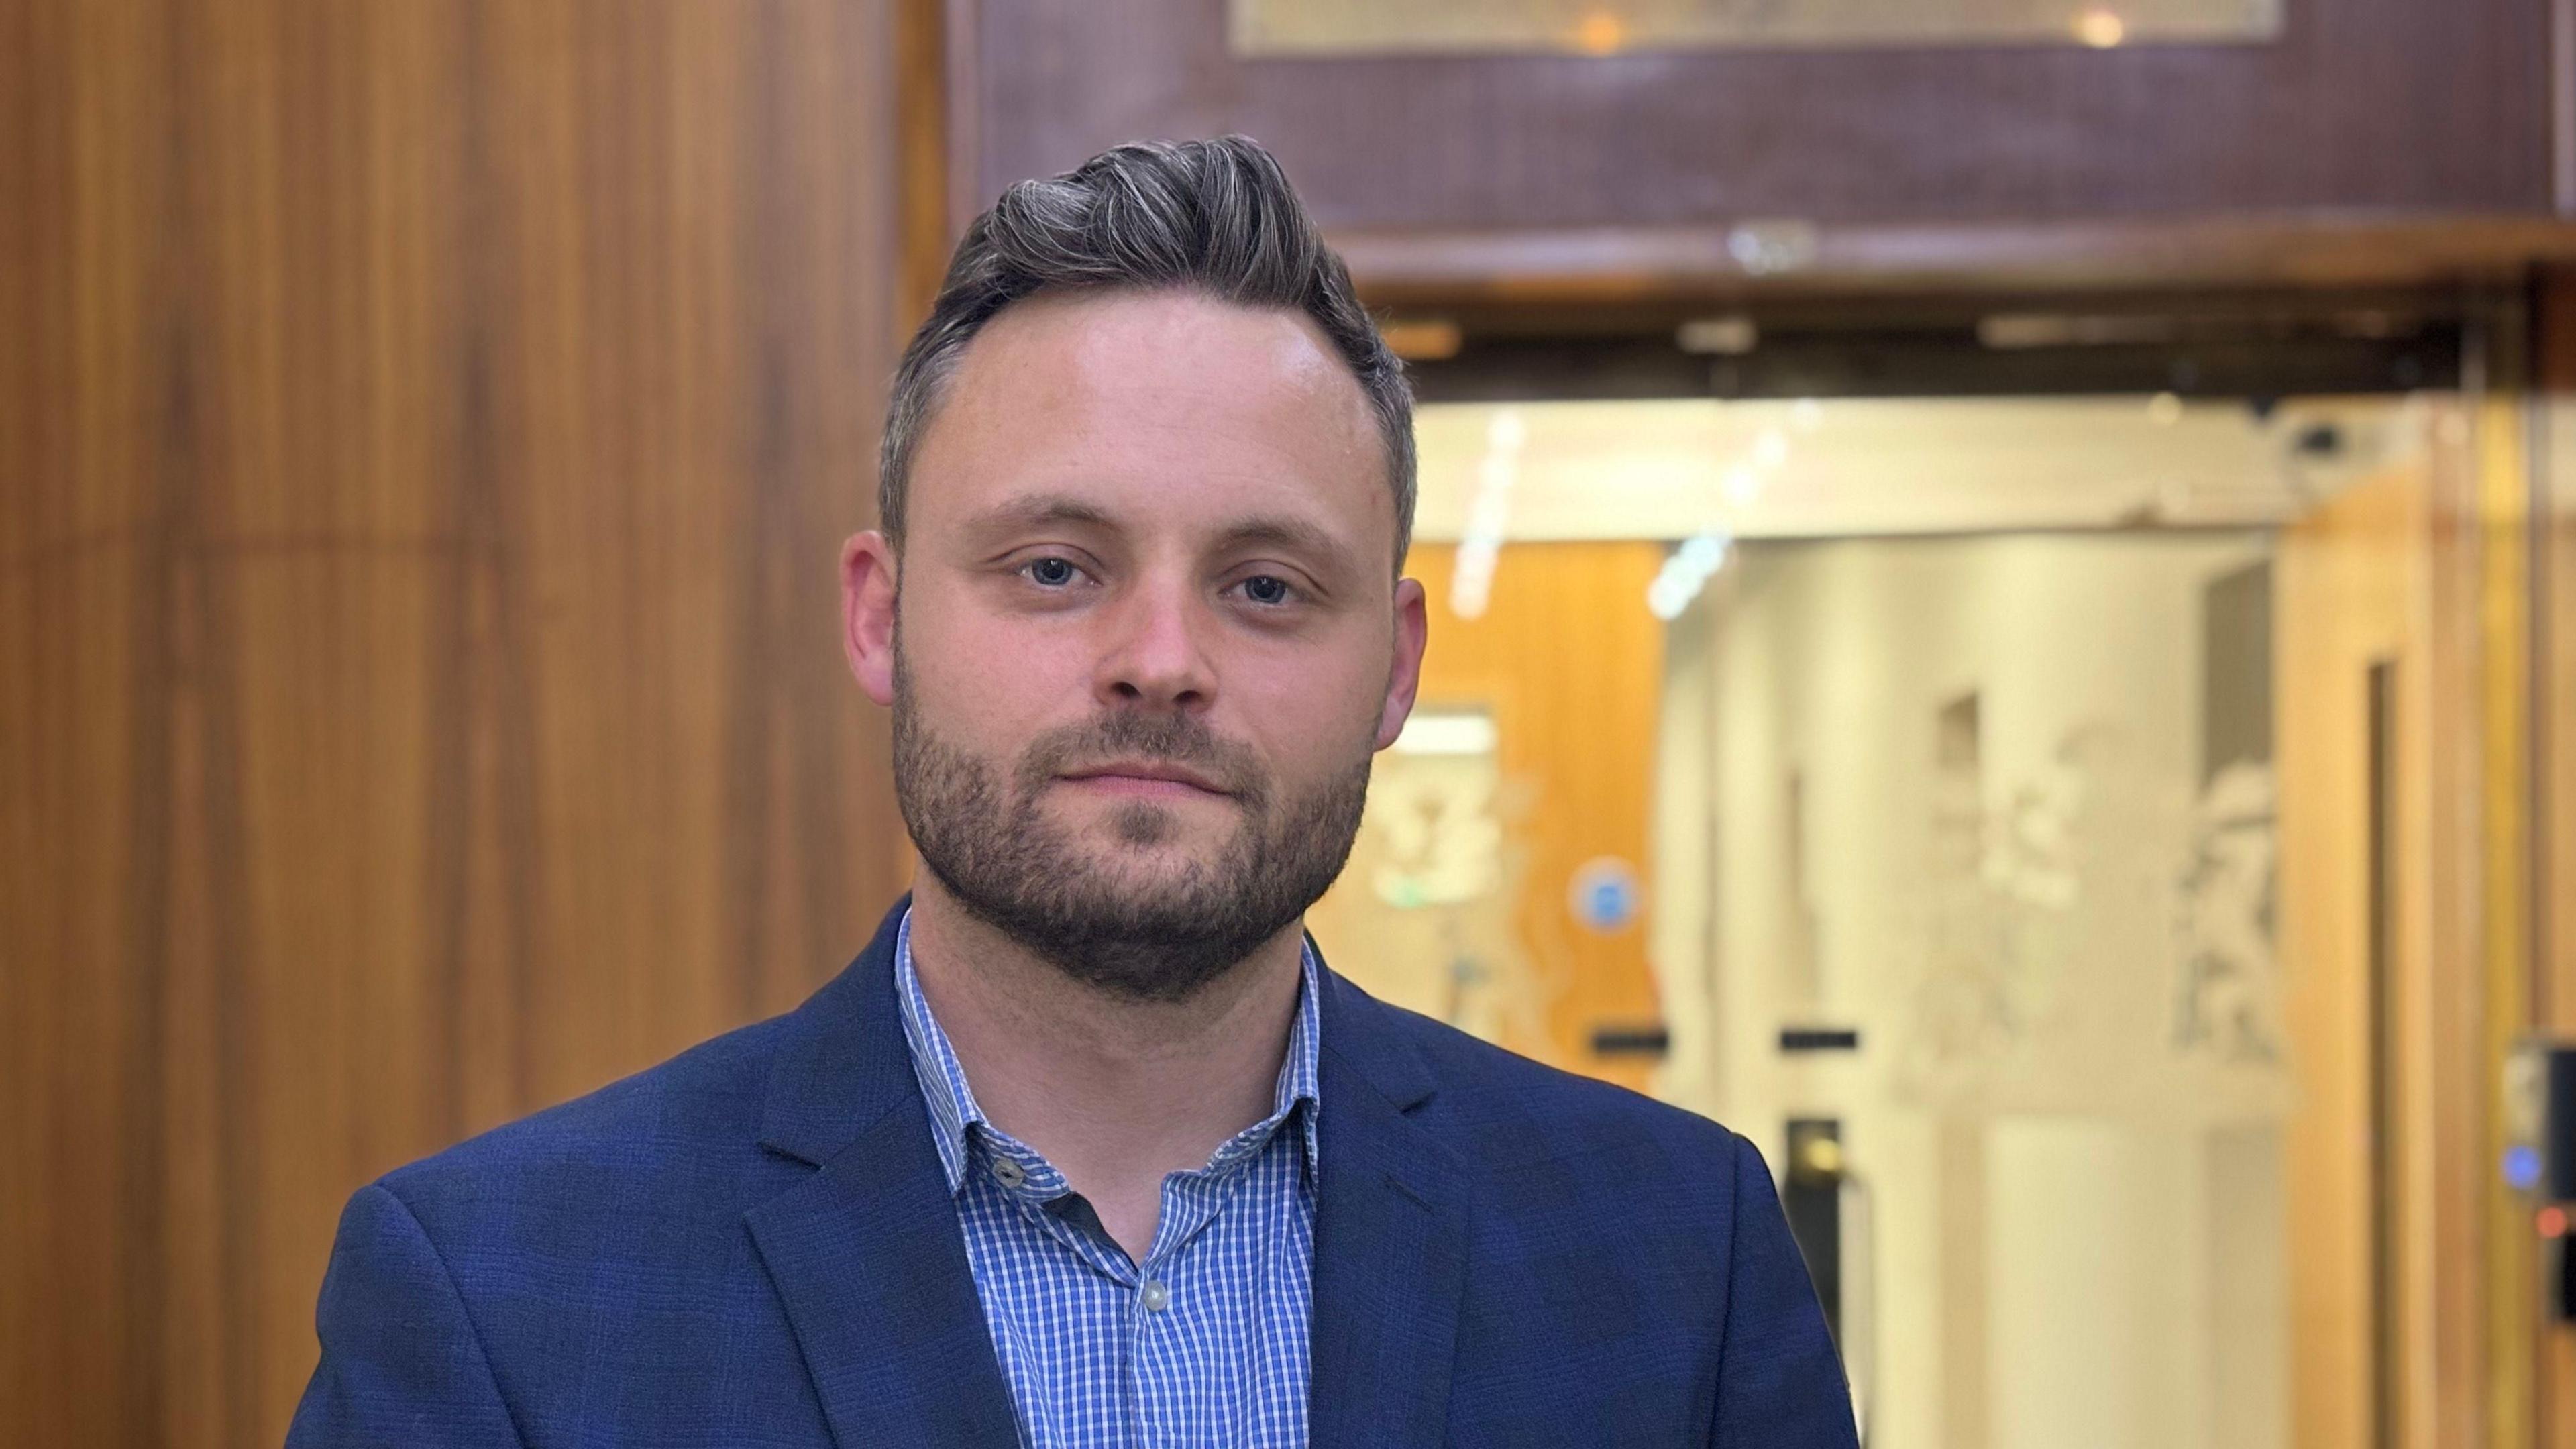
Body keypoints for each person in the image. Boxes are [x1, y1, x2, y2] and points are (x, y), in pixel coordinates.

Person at [286, 136, 1856, 1449]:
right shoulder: (502, 1301)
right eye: (1055, 567)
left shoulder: (1673, 1263)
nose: (1159, 660)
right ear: (880, 615)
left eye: (1263, 584)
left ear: (1391, 666)